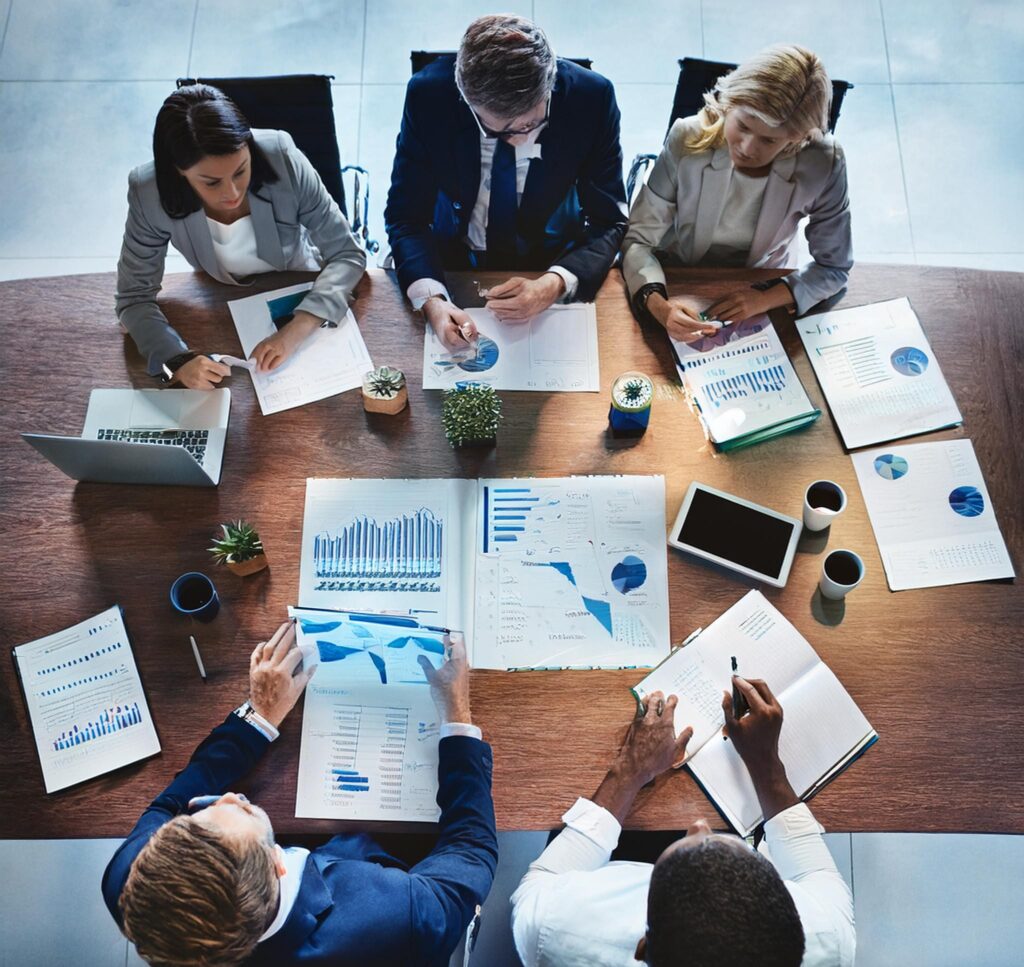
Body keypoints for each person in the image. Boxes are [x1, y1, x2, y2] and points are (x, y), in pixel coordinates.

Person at [101, 622, 497, 966]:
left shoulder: (133, 880)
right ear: (279, 862)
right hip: (387, 867)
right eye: (242, 809)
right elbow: (470, 852)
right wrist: (457, 715)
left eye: (200, 813)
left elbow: (168, 805)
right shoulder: (395, 917)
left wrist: (258, 716)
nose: (227, 796)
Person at [510, 677, 855, 966]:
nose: (700, 825)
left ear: (642, 949)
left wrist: (631, 768)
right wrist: (766, 762)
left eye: (694, 839)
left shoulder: (553, 930)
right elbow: (814, 873)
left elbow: (543, 878)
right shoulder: (827, 938)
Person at [385, 13, 628, 350]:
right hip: (453, 261)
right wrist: (433, 300)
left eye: (528, 126)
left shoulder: (593, 100)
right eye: (496, 130)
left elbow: (609, 220)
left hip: (547, 259)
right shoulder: (427, 97)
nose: (515, 141)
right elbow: (405, 216)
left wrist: (553, 283)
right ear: (467, 99)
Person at [116, 84, 366, 388]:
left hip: (299, 278)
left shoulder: (281, 156)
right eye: (211, 182)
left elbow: (347, 253)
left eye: (240, 171)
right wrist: (176, 359)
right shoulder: (148, 192)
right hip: (221, 299)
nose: (232, 193)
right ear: (178, 172)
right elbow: (133, 299)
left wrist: (299, 327)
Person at [622, 45, 853, 344]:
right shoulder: (687, 136)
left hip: (761, 275)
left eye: (769, 140)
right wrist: (658, 305)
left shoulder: (825, 161)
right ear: (727, 104)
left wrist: (766, 298)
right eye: (742, 125)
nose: (746, 148)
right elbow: (638, 240)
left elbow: (834, 266)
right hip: (677, 268)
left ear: (797, 138)